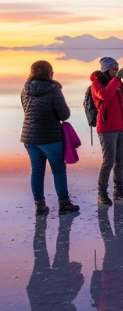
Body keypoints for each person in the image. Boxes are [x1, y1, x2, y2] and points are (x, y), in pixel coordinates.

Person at [21, 60, 80, 215]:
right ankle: (64, 204)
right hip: (51, 137)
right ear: (49, 73)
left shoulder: (25, 88)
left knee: (37, 171)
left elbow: (26, 111)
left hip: (30, 137)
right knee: (59, 171)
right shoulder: (54, 90)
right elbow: (64, 115)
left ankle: (39, 206)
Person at [92, 57, 123, 205]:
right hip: (107, 128)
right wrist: (117, 79)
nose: (116, 71)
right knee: (108, 162)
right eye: (113, 69)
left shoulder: (117, 83)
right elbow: (105, 95)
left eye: (117, 69)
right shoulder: (97, 84)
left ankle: (118, 191)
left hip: (122, 127)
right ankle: (102, 193)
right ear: (106, 69)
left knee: (119, 162)